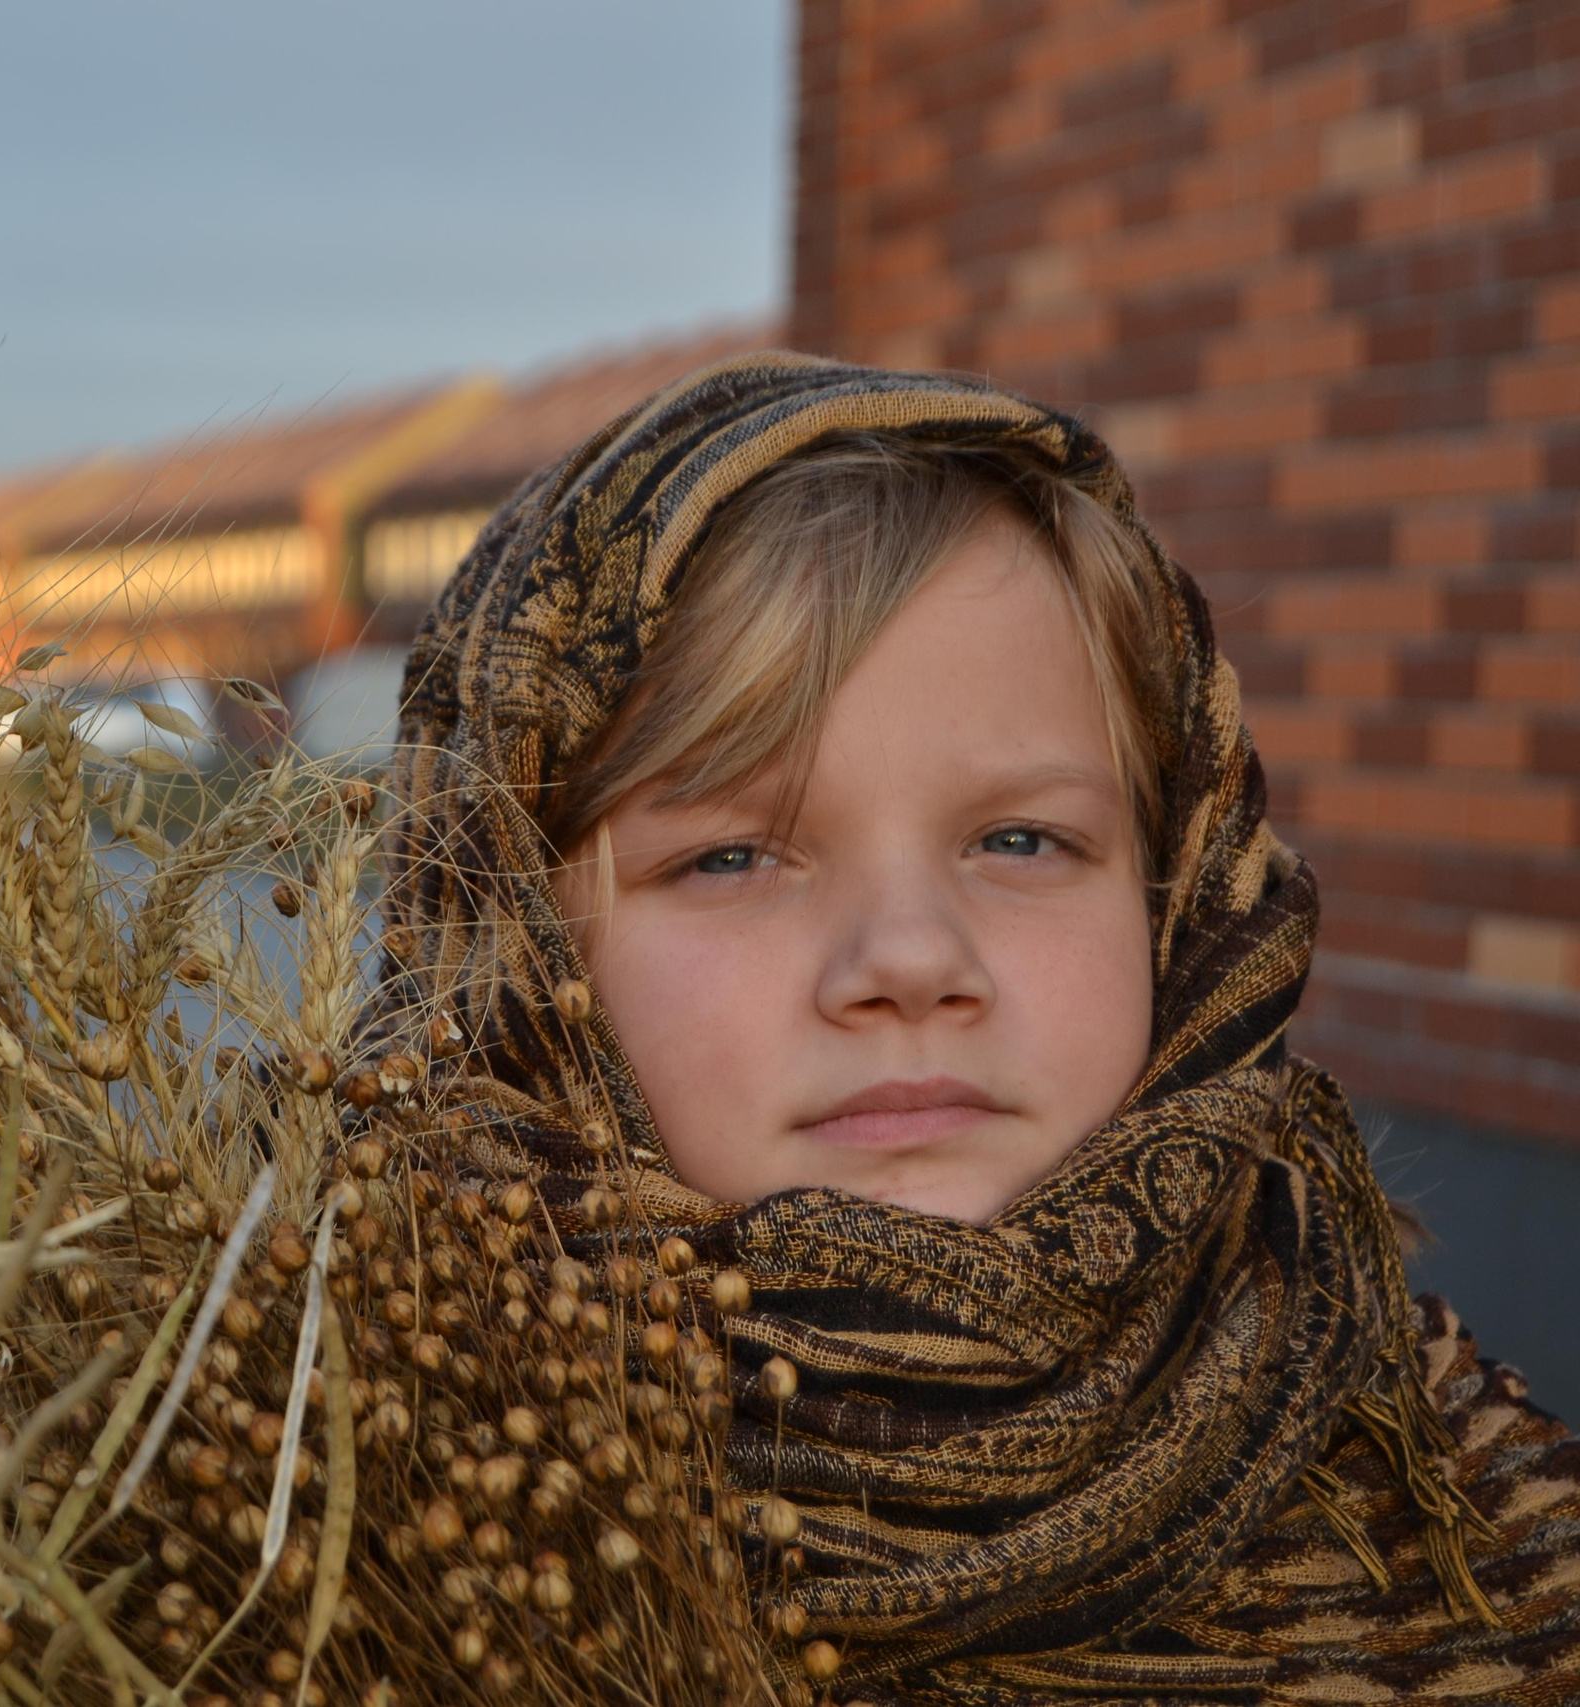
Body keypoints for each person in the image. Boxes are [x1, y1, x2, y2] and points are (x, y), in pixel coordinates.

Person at [375, 354, 1580, 1702]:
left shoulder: (1475, 1511)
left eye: (1021, 837)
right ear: (507, 950)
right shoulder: (319, 1521)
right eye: (730, 858)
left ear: (1179, 904)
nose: (910, 961)